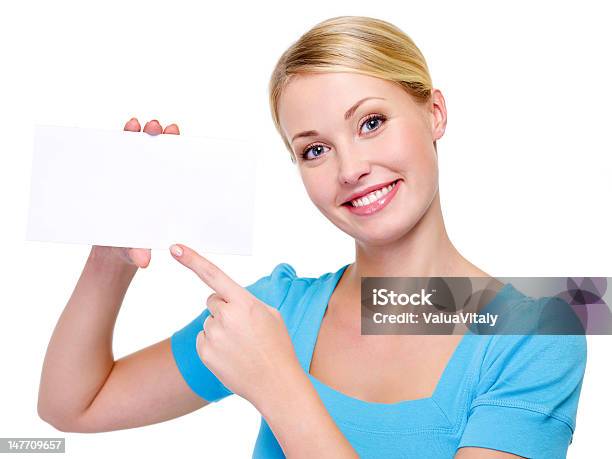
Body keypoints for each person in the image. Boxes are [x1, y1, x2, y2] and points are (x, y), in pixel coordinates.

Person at [38, 15, 587, 459]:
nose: (351, 168)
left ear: (435, 112)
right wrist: (111, 255)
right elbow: (75, 405)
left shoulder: (540, 332)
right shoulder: (277, 312)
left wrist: (280, 386)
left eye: (371, 122)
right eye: (314, 150)